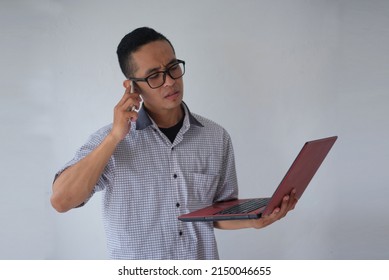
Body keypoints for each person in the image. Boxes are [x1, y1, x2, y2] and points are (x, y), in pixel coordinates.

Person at [51, 27, 297, 260]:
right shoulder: (111, 141)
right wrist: (115, 137)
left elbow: (217, 214)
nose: (169, 81)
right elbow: (62, 201)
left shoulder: (216, 137)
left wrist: (254, 220)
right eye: (154, 76)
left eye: (172, 68)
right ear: (132, 86)